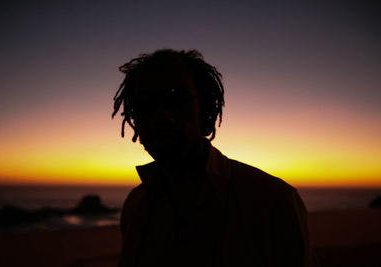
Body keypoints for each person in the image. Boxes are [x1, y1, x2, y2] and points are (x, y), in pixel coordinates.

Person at [112, 49, 316, 267]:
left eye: (177, 99)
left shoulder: (275, 202)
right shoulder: (136, 206)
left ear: (206, 110)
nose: (163, 116)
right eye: (145, 104)